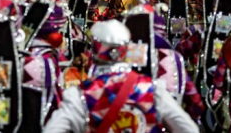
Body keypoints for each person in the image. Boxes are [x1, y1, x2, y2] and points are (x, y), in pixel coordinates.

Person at [44, 19, 199, 133]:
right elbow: (189, 129)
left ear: (95, 52)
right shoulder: (154, 90)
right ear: (127, 50)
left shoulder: (79, 95)